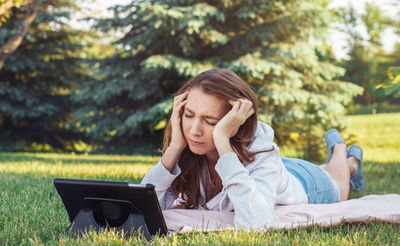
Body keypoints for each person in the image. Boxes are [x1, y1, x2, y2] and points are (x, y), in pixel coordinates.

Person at [141, 68, 365, 230]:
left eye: (210, 121)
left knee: (339, 184)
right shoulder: (190, 146)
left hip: (308, 184)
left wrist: (221, 138)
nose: (195, 130)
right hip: (276, 170)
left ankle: (342, 151)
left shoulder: (261, 148)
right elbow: (141, 207)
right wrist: (175, 147)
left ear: (234, 122)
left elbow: (256, 224)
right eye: (189, 115)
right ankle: (346, 160)